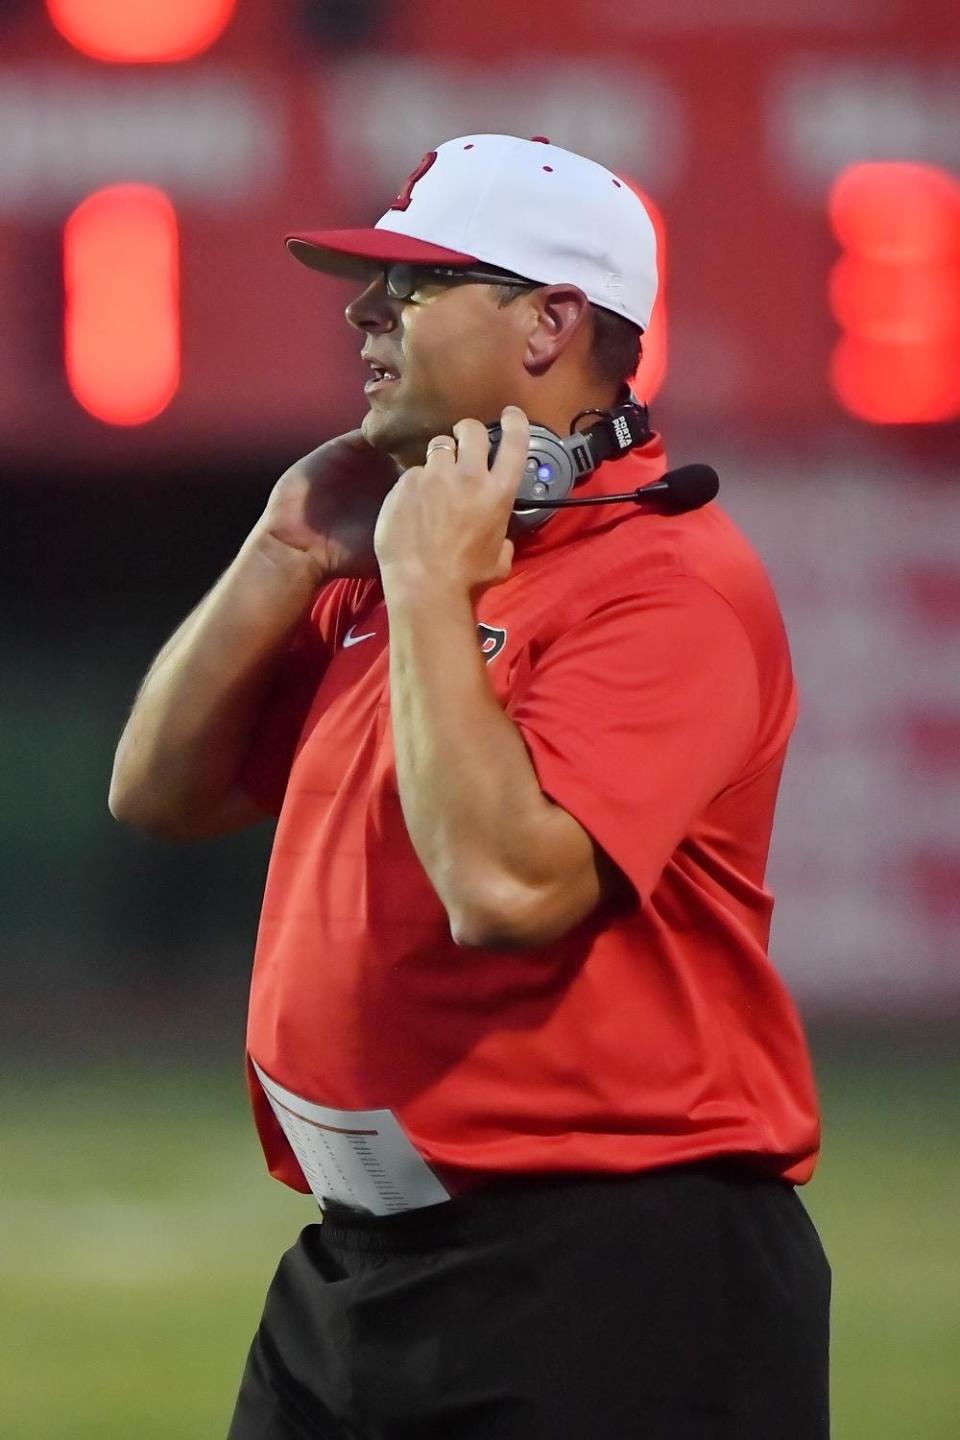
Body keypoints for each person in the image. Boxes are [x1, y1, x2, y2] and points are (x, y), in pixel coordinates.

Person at [109, 133, 831, 1438]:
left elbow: (507, 888)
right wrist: (282, 550)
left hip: (613, 1271)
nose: (365, 311)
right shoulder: (404, 542)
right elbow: (161, 792)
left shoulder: (665, 584)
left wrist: (433, 590)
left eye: (421, 284)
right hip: (367, 1266)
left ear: (551, 322)